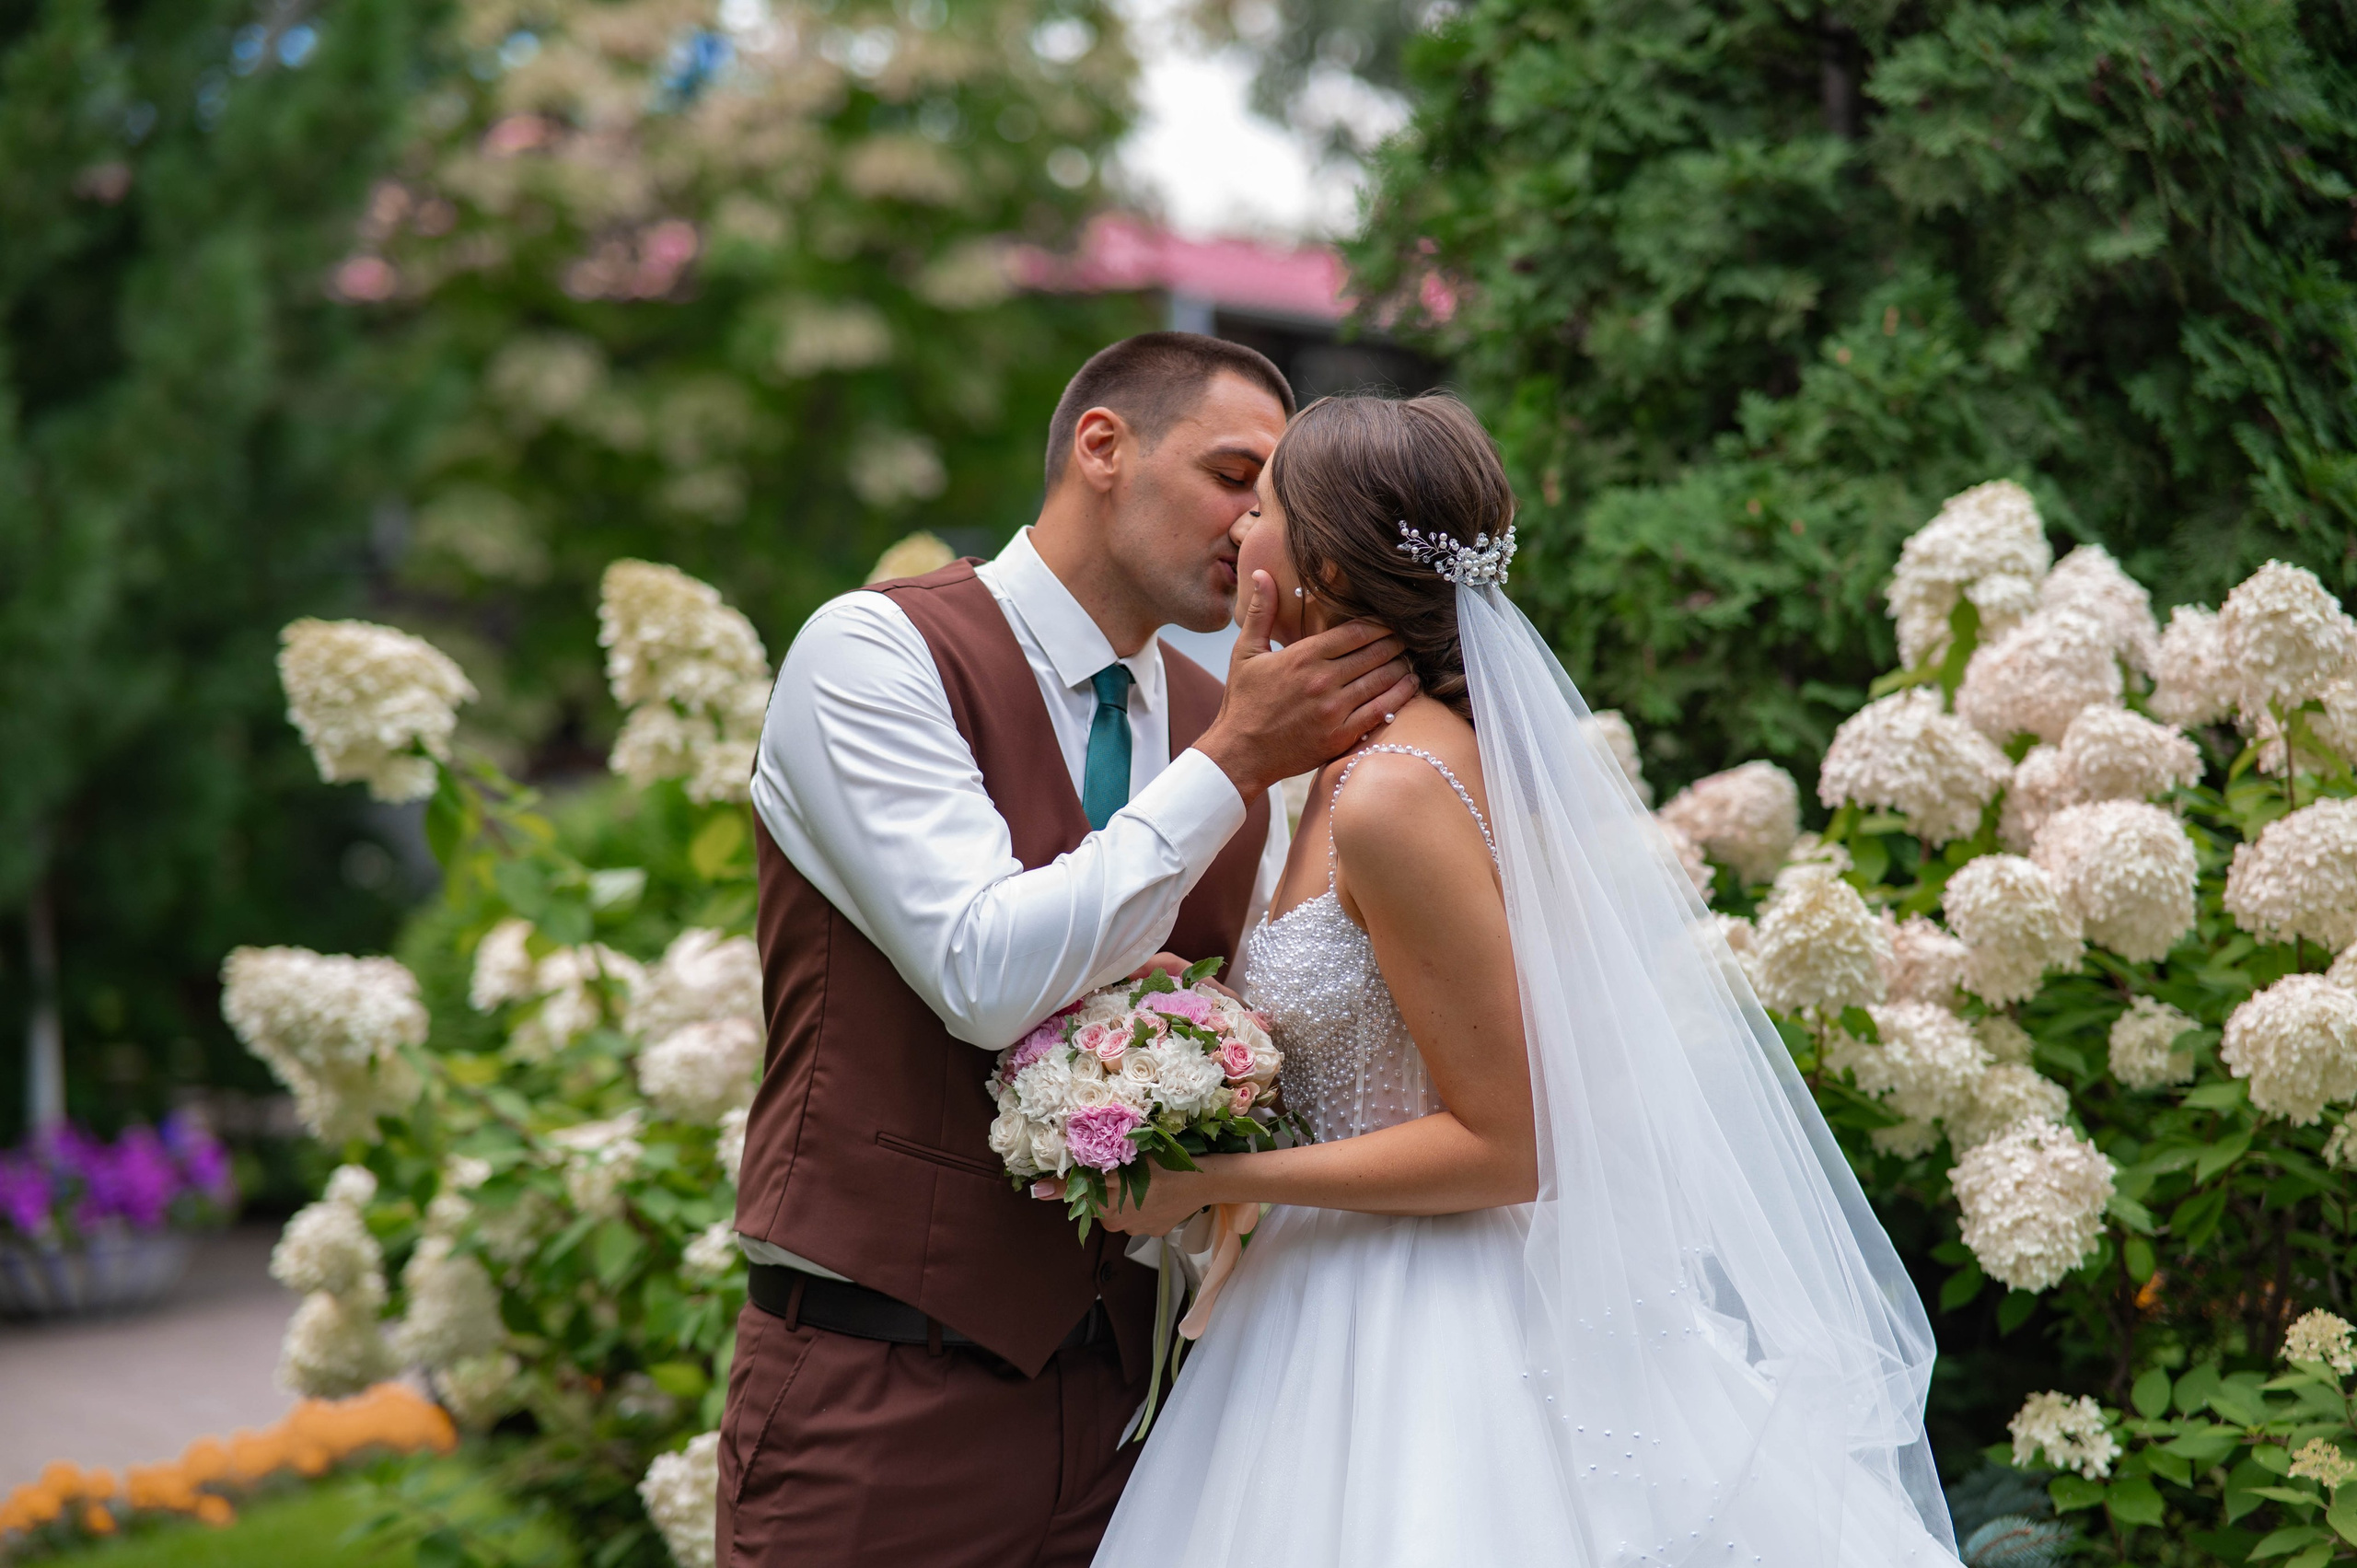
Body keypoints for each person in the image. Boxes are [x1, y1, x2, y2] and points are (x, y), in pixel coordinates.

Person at [1081, 393, 1968, 1566]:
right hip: (1320, 1292)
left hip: (1414, 1323)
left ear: (1327, 562)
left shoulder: (1394, 792)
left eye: (1266, 508)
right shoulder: (1355, 767)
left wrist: (1212, 1177)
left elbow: (1512, 1142)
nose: (1242, 531)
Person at [717, 333, 1421, 1566]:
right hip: (879, 1388)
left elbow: (1249, 1040)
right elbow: (986, 975)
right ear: (1103, 446)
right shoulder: (874, 654)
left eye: (1273, 500)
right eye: (1230, 474)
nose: (1253, 525)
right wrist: (1233, 767)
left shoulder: (1224, 721)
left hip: (1133, 1417)